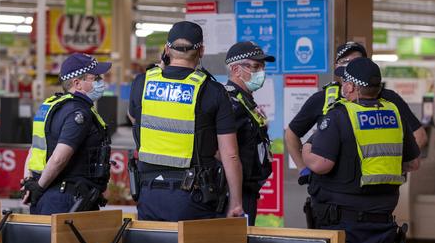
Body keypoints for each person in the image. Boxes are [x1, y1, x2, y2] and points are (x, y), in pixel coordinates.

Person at [302, 57, 420, 243]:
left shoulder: (339, 115)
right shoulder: (393, 113)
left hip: (345, 225)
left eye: (344, 81)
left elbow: (320, 164)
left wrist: (307, 148)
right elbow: (413, 163)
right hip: (382, 223)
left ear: (351, 87)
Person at [127, 21, 244, 220]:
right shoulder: (212, 91)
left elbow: (135, 118)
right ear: (201, 51)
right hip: (193, 196)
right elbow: (230, 154)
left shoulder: (143, 83)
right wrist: (236, 202)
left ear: (166, 49)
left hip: (149, 193)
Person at [285, 42, 426, 181]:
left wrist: (388, 166)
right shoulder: (323, 99)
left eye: (356, 61)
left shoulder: (390, 100)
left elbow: (419, 136)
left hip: (377, 189)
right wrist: (303, 170)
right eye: (344, 61)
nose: (349, 65)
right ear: (336, 66)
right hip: (334, 190)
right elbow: (291, 134)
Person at [22, 53, 112, 214]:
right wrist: (39, 187)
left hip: (48, 196)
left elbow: (34, 149)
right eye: (95, 78)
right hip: (67, 200)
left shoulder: (52, 107)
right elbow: (59, 158)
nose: (101, 81)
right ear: (77, 83)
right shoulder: (79, 112)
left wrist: (31, 183)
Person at [224, 41, 275, 225]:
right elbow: (220, 149)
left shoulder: (245, 101)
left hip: (249, 190)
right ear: (236, 69)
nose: (261, 72)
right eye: (255, 66)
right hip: (235, 193)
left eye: (262, 66)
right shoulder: (230, 103)